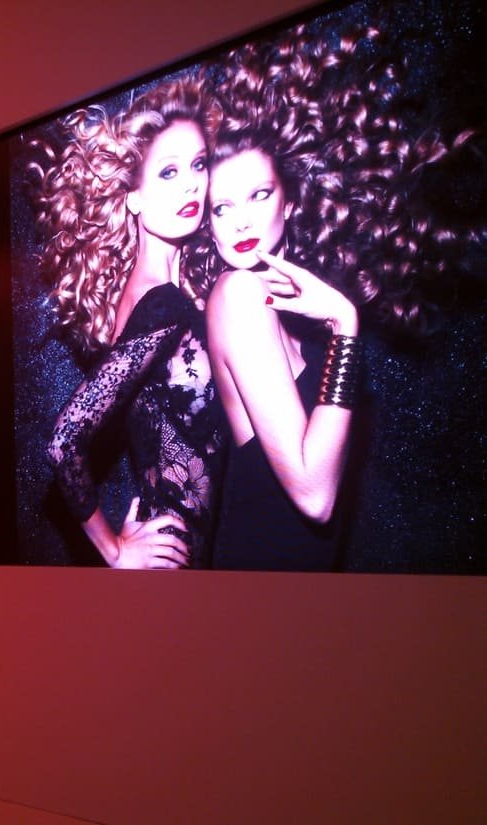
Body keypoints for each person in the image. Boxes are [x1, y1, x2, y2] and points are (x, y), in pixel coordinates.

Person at [192, 18, 485, 570]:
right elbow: (314, 496)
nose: (240, 221)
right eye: (221, 207)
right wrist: (345, 324)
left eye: (258, 195)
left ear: (290, 202)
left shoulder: (282, 311)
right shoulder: (237, 295)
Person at [31, 77, 226, 569]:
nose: (190, 184)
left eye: (199, 164)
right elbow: (64, 441)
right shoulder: (162, 304)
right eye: (169, 171)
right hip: (172, 568)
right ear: (134, 198)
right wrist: (115, 549)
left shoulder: (149, 296)